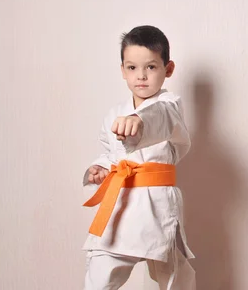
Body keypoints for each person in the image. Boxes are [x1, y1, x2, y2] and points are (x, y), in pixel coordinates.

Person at [82, 25, 196, 290]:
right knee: (99, 273)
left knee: (173, 276)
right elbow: (111, 154)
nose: (141, 76)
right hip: (120, 204)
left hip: (157, 206)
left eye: (151, 67)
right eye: (132, 68)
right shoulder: (114, 114)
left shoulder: (170, 107)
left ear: (168, 69)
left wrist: (139, 122)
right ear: (123, 70)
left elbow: (160, 119)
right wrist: (99, 168)